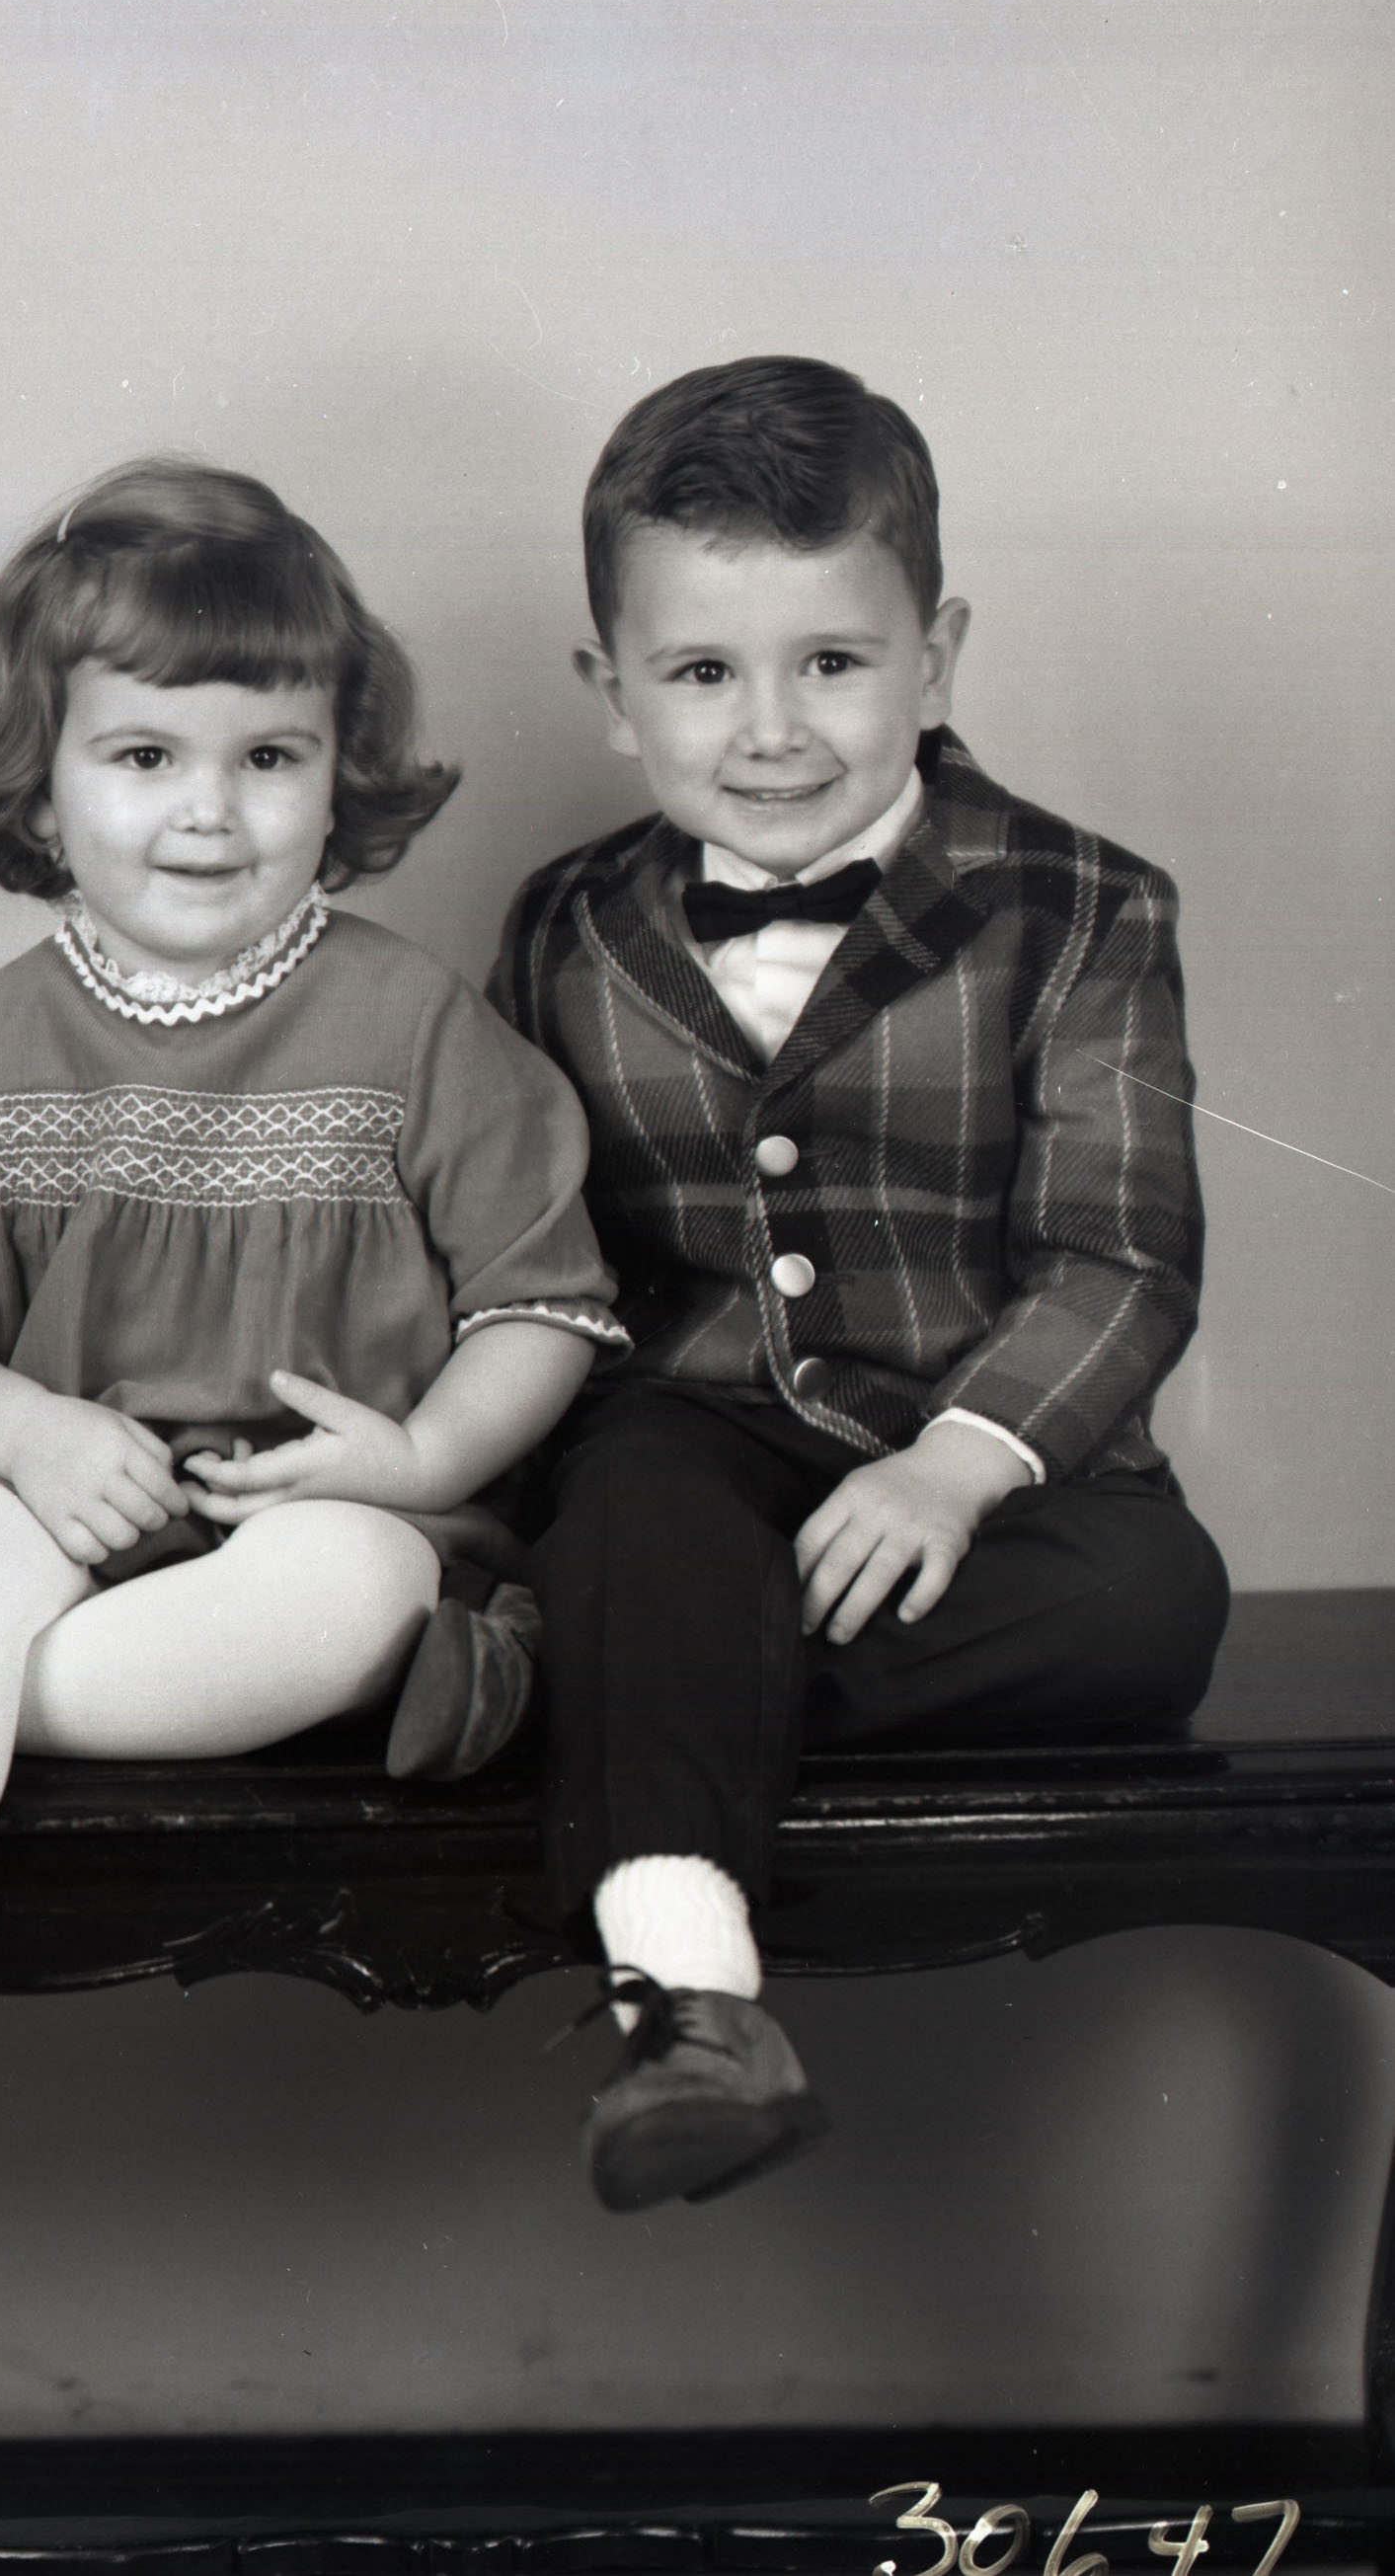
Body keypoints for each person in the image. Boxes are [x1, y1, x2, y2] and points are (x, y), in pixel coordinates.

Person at [0, 459, 623, 2136]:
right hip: (45, 1511)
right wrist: (19, 1430)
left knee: (361, 1587)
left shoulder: (417, 1029)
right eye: (146, 756)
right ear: (43, 790)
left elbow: (544, 1307)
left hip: (305, 1530)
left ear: (341, 773)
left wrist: (418, 1458)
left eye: (270, 757)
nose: (209, 811)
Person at [497, 355, 1228, 2212]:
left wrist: (961, 1463)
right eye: (700, 672)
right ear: (610, 693)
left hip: (983, 1472)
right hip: (693, 1442)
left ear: (937, 655)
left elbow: (1123, 1252)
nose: (771, 729)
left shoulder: (1083, 904)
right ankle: (696, 2012)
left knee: (1155, 1603)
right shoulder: (565, 924)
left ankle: (624, 1691)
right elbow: (525, 1252)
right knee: (634, 1504)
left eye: (832, 660)